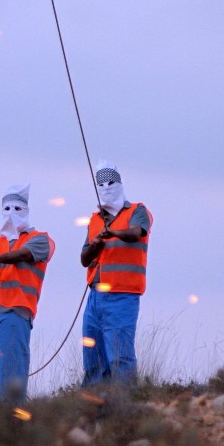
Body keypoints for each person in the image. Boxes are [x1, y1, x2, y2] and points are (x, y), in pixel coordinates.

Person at [0, 184, 55, 402]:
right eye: (6, 208)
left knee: (10, 382)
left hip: (14, 314)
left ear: (26, 210)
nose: (11, 213)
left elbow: (23, 255)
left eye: (17, 208)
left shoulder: (39, 239)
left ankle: (10, 428)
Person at [79, 160, 152, 385]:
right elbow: (84, 258)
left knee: (120, 356)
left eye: (111, 182)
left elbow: (136, 233)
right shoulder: (94, 220)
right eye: (100, 184)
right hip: (95, 297)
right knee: (93, 358)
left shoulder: (137, 211)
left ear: (120, 183)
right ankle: (94, 406)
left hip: (122, 295)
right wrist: (96, 244)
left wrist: (112, 233)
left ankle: (126, 405)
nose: (106, 187)